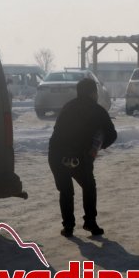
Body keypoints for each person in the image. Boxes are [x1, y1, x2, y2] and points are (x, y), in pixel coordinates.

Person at [49, 78, 117, 237]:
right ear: (94, 93)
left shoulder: (67, 107)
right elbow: (112, 135)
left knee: (65, 191)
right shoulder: (97, 110)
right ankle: (90, 223)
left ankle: (68, 227)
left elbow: (57, 131)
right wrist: (98, 146)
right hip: (79, 156)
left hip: (57, 154)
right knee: (89, 187)